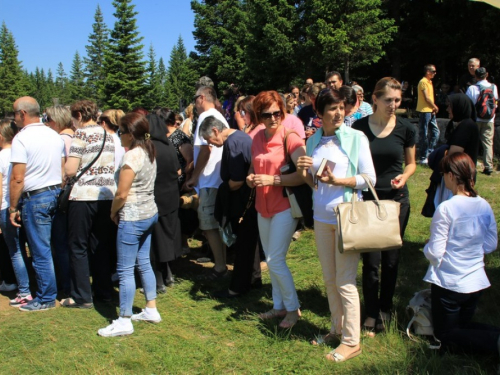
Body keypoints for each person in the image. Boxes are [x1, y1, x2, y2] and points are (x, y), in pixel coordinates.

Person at [296, 88, 376, 363]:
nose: (338, 112)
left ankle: (352, 342)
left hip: (347, 218)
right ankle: (336, 329)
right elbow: (313, 183)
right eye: (332, 108)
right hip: (321, 219)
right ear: (319, 113)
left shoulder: (356, 138)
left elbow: (369, 179)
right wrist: (303, 171)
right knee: (330, 279)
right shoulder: (314, 140)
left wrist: (338, 182)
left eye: (341, 107)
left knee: (344, 282)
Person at [352, 77, 416, 336]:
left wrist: (406, 176)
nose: (393, 105)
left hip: (397, 201)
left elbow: (411, 163)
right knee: (371, 262)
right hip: (368, 200)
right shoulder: (359, 128)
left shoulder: (406, 128)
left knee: (391, 260)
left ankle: (386, 309)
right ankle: (370, 312)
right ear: (374, 99)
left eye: (397, 100)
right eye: (388, 100)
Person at [423, 152, 500, 355]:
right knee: (463, 330)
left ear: (450, 176)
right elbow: (491, 244)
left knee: (445, 334)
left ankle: (495, 341)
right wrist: (471, 248)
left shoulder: (446, 208)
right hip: (476, 282)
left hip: (449, 283)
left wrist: (427, 247)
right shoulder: (484, 205)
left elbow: (435, 252)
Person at [246, 90, 306, 328]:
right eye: (267, 114)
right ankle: (278, 306)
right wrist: (251, 177)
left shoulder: (290, 137)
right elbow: (253, 166)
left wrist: (273, 180)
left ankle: (293, 309)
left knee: (274, 259)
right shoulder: (257, 136)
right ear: (259, 116)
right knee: (272, 260)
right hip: (263, 206)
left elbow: (303, 176)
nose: (273, 118)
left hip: (284, 205)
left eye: (277, 113)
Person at [98, 113, 160, 337]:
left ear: (130, 134)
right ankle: (151, 308)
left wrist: (113, 212)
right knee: (143, 262)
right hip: (149, 214)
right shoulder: (148, 151)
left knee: (125, 270)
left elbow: (121, 193)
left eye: (121, 131)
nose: (118, 135)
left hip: (133, 217)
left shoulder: (132, 156)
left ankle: (124, 319)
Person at [10, 96, 65, 311]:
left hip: (36, 197)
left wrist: (13, 207)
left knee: (40, 251)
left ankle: (45, 298)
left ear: (23, 114)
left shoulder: (21, 139)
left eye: (15, 113)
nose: (14, 118)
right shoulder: (54, 135)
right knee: (58, 247)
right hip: (55, 194)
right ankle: (64, 288)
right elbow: (61, 169)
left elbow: (17, 177)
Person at [63, 100, 116, 309]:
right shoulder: (109, 136)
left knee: (78, 246)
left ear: (78, 115)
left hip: (83, 195)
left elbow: (70, 169)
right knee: (100, 245)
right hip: (105, 195)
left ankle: (82, 295)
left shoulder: (80, 135)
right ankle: (104, 291)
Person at [200, 116, 259, 298]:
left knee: (243, 245)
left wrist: (224, 189)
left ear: (216, 131)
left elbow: (237, 180)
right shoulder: (241, 137)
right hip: (250, 199)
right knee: (250, 243)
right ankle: (254, 278)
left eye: (209, 138)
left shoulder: (233, 144)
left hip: (242, 200)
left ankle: (237, 288)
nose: (210, 143)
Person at [185, 86, 229, 279]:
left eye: (195, 99)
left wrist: (194, 177)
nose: (194, 104)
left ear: (202, 98)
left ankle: (220, 267)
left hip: (210, 179)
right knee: (215, 225)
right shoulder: (218, 115)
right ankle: (221, 263)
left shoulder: (205, 117)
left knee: (209, 225)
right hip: (217, 178)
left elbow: (206, 150)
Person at [148, 112, 183, 291]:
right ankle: (169, 274)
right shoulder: (168, 145)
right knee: (168, 236)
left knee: (156, 240)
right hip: (171, 196)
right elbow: (178, 171)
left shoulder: (150, 147)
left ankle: (159, 280)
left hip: (156, 197)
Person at [0, 119, 30, 305]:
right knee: (28, 248)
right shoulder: (21, 153)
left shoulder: (2, 155)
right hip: (24, 203)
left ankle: (24, 289)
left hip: (6, 205)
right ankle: (30, 284)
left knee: (15, 250)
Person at [46, 105, 74, 297]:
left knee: (59, 242)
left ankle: (64, 283)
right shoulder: (73, 137)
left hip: (61, 193)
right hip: (71, 194)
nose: (46, 123)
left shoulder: (61, 140)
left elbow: (64, 169)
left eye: (47, 120)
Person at [466, 67, 498, 175]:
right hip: (489, 119)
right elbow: (495, 102)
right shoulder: (493, 87)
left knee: (473, 143)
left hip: (475, 118)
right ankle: (488, 167)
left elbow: (468, 103)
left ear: (475, 76)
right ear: (487, 74)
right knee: (488, 143)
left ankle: (471, 165)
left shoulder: (472, 88)